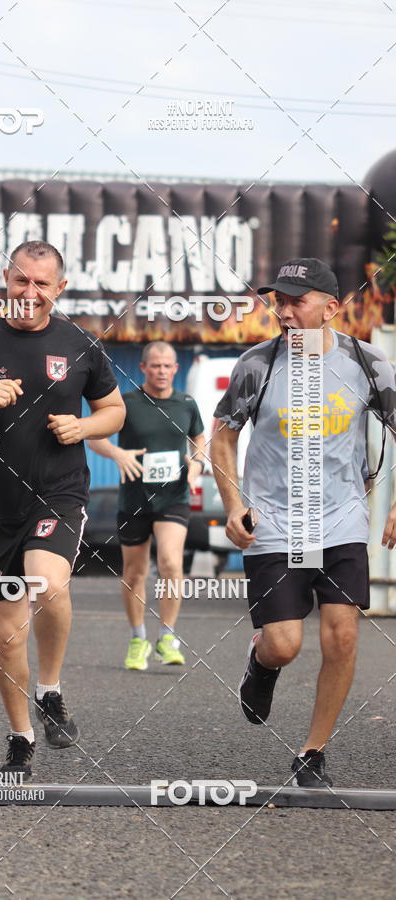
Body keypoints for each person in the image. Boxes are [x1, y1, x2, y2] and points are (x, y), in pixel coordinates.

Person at [0, 240, 125, 778]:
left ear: (59, 289)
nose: (29, 293)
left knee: (48, 582)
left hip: (59, 492)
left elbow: (114, 410)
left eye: (42, 284)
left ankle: (51, 689)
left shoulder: (81, 344)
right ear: (5, 282)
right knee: (7, 633)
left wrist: (83, 427)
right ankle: (21, 738)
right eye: (21, 281)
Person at [211, 257, 396, 788]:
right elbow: (223, 434)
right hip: (274, 522)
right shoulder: (257, 366)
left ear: (331, 308)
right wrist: (231, 504)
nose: (285, 311)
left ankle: (312, 752)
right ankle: (261, 664)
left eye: (298, 301)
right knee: (284, 643)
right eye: (280, 301)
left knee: (342, 637)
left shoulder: (367, 365)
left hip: (339, 520)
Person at [89, 341, 205, 671]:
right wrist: (118, 454)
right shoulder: (125, 404)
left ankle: (167, 637)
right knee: (135, 572)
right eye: (155, 365)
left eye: (168, 365)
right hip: (134, 500)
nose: (162, 371)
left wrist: (197, 464)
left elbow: (199, 439)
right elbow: (95, 436)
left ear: (176, 369)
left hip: (174, 497)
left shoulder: (186, 404)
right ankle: (138, 638)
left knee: (170, 561)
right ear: (143, 368)